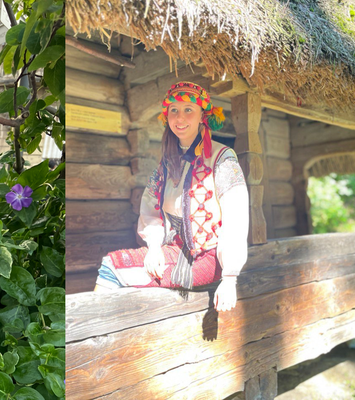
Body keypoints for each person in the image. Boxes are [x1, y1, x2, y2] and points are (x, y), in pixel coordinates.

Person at [94, 82, 249, 312]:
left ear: (202, 116)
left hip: (209, 258)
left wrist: (230, 278)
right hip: (175, 251)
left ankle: (93, 333)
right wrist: (154, 247)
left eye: (188, 109)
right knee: (117, 269)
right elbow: (150, 205)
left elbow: (236, 214)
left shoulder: (222, 158)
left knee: (111, 267)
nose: (180, 118)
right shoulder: (167, 162)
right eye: (174, 110)